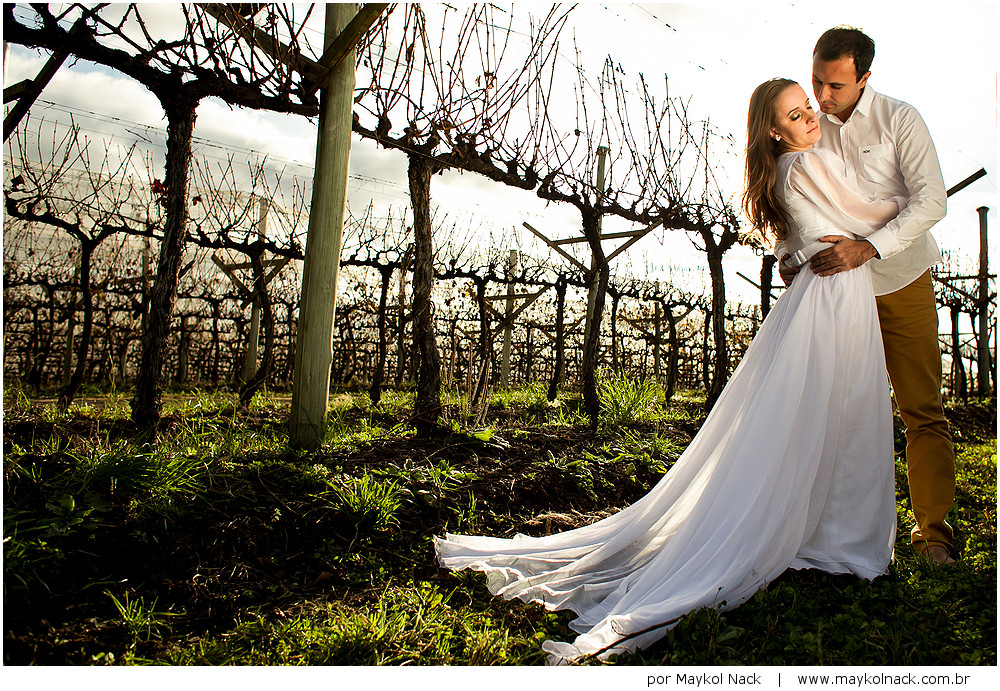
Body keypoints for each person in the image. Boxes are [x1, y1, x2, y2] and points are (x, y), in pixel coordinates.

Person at [435, 78, 906, 664]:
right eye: (795, 113)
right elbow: (873, 211)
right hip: (834, 296)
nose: (810, 117)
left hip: (824, 293)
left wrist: (803, 252)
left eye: (807, 107)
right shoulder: (808, 163)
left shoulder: (787, 169)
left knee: (818, 414)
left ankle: (820, 534)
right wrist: (905, 199)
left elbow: (794, 242)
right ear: (773, 130)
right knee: (842, 410)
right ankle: (837, 541)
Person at [778, 27, 955, 565]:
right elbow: (795, 200)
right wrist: (788, 254)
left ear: (864, 78)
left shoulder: (900, 119)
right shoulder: (810, 127)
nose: (822, 96)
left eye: (834, 85)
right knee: (834, 410)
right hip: (835, 293)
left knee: (921, 408)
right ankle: (829, 531)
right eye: (816, 81)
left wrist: (869, 247)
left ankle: (934, 534)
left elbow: (932, 201)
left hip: (900, 278)